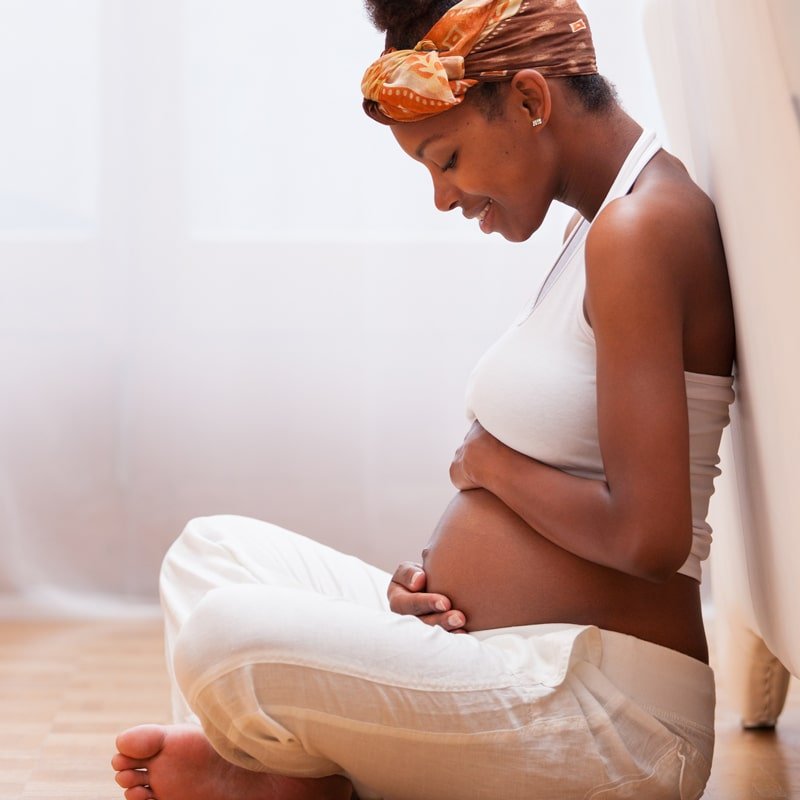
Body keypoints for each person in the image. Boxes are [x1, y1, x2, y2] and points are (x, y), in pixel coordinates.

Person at [111, 1, 735, 798]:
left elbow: (649, 540)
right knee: (212, 552)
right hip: (505, 660)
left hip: (614, 723)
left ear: (530, 99)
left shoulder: (640, 230)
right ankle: (299, 779)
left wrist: (490, 468)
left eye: (447, 158)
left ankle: (284, 779)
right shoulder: (598, 225)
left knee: (227, 639)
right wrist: (442, 584)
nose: (443, 197)